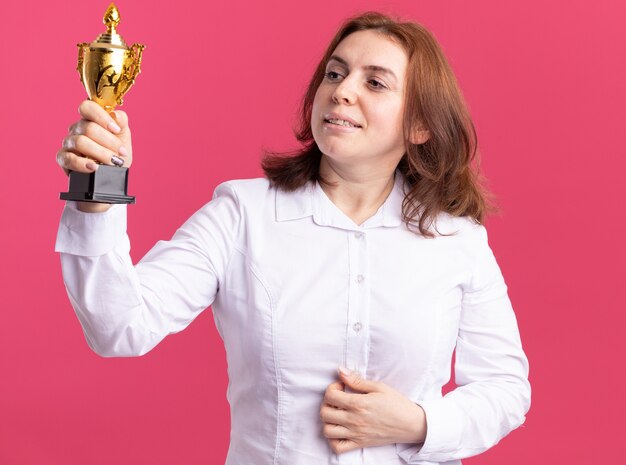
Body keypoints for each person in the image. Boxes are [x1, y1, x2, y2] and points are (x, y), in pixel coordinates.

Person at [55, 11, 530, 465]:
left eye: (375, 82)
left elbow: (506, 389)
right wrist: (97, 194)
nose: (342, 91)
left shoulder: (457, 240)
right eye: (334, 74)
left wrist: (420, 423)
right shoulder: (242, 214)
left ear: (420, 125)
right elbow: (118, 327)